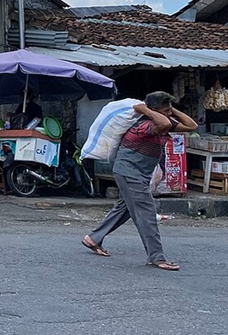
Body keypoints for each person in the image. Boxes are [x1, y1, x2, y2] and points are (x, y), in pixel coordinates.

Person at [82, 91, 197, 271]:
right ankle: (156, 257)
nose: (168, 114)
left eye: (169, 110)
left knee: (125, 208)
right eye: (165, 110)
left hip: (137, 174)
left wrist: (171, 109)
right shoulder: (144, 125)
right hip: (129, 173)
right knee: (146, 213)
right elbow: (164, 122)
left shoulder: (162, 122)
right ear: (153, 111)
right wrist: (145, 109)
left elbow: (191, 125)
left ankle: (94, 238)